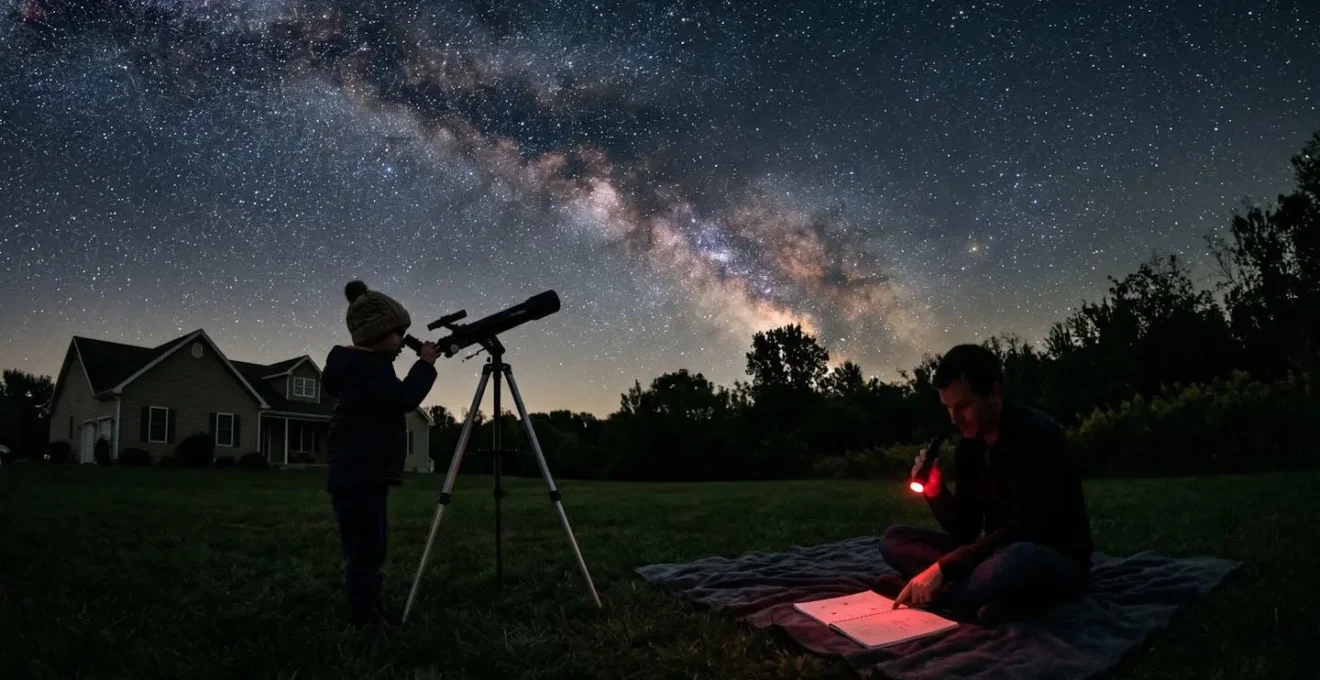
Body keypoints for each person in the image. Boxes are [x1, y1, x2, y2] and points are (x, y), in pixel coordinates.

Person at [876, 344, 1093, 625]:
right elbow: (966, 529)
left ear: (994, 393)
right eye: (948, 408)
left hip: (1050, 555)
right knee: (894, 540)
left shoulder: (1038, 434)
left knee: (1015, 561)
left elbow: (1030, 527)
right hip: (991, 554)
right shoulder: (969, 446)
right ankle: (988, 600)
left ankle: (939, 596)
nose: (954, 419)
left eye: (963, 406)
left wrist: (946, 567)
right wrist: (935, 491)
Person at [322, 280, 438, 627]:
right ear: (376, 333)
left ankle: (366, 604)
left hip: (354, 473)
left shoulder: (353, 365)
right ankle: (366, 617)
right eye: (398, 334)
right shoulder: (370, 368)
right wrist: (425, 365)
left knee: (364, 545)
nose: (403, 341)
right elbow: (402, 399)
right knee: (367, 549)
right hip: (362, 472)